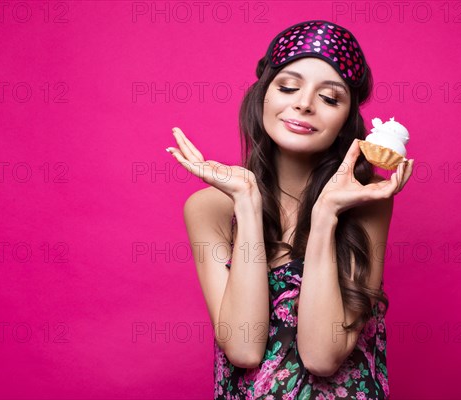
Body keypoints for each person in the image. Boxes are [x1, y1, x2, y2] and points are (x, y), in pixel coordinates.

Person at [166, 20, 414, 400]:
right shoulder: (210, 208)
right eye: (288, 86)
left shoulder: (365, 203)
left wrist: (327, 213)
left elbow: (322, 356)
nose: (304, 103)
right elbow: (243, 348)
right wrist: (246, 203)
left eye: (330, 98)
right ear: (262, 94)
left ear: (347, 122)